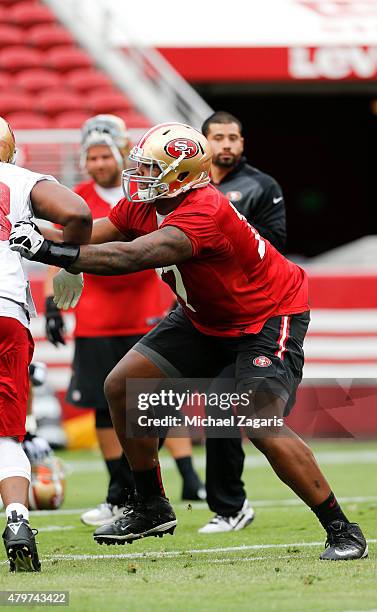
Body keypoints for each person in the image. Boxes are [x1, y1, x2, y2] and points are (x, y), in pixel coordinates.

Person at [10, 122, 368, 561]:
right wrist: (33, 237)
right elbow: (102, 231)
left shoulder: (203, 211)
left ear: (183, 175)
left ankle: (340, 528)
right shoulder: (152, 200)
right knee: (122, 385)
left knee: (257, 419)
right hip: (205, 317)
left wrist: (58, 255)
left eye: (150, 168)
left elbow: (134, 255)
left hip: (267, 318)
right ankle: (151, 503)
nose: (138, 176)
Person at [44, 115, 204, 527]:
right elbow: (65, 244)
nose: (99, 164)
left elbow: (130, 253)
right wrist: (51, 303)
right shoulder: (78, 197)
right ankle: (122, 493)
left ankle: (165, 484)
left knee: (155, 403)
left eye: (105, 155)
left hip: (148, 311)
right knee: (105, 403)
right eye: (92, 157)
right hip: (97, 318)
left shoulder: (157, 198)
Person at [0, 116, 91, 572]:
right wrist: (69, 263)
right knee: (6, 432)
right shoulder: (19, 179)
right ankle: (17, 518)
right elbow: (77, 213)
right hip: (4, 311)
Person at [197, 110, 287, 533]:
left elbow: (276, 245)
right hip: (202, 315)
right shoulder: (190, 187)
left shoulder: (260, 186)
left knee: (223, 407)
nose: (227, 144)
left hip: (251, 318)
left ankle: (230, 507)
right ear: (204, 141)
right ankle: (127, 498)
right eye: (219, 137)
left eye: (234, 137)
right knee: (141, 398)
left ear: (243, 143)